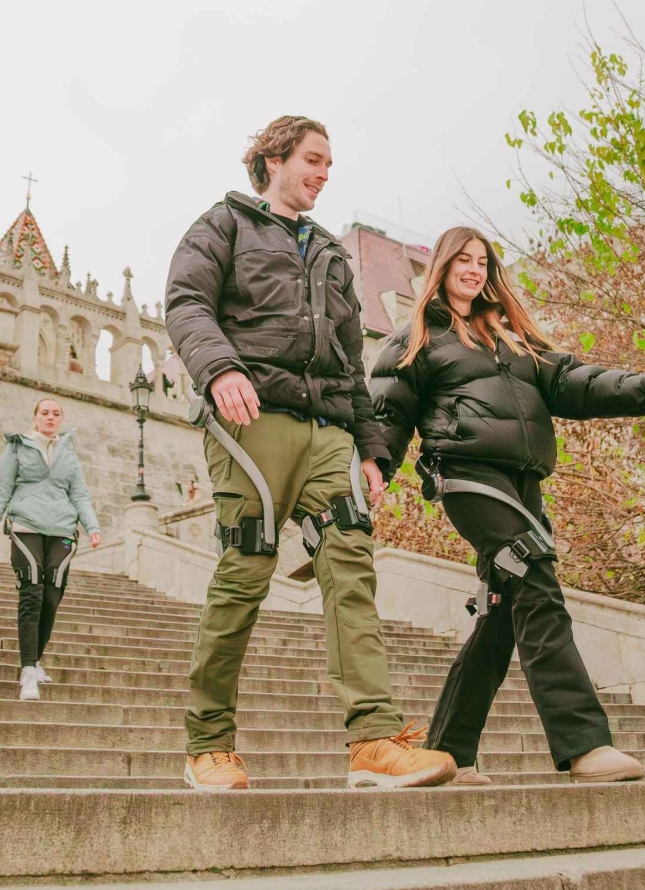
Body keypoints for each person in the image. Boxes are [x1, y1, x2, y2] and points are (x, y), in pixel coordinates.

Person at [164, 114, 456, 791]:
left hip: (329, 430)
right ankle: (208, 743)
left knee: (351, 564)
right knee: (245, 568)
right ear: (273, 158)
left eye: (330, 164)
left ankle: (375, 740)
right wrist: (219, 368)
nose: (325, 173)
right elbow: (185, 301)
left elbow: (350, 365)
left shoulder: (328, 252)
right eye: (314, 160)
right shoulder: (224, 224)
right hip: (250, 416)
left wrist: (372, 449)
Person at [370, 226, 645, 785]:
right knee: (535, 581)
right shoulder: (419, 337)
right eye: (462, 260)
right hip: (467, 477)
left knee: (503, 612)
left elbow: (570, 380)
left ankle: (450, 753)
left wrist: (637, 389)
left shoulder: (511, 338)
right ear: (441, 267)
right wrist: (374, 465)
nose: (473, 270)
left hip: (524, 483)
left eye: (482, 261)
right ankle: (586, 744)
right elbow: (387, 408)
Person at [0, 398, 102, 702]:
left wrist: (93, 525)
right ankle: (27, 670)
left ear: (60, 419)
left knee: (52, 595)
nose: (50, 417)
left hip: (62, 529)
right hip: (26, 526)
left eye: (56, 413)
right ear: (34, 418)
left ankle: (35, 661)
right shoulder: (18, 447)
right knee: (32, 593)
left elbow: (80, 494)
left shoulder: (68, 452)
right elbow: (2, 489)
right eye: (44, 413)